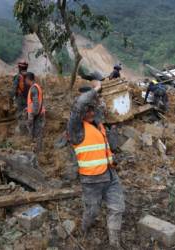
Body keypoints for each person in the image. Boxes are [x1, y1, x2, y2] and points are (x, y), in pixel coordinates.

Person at [68, 81, 125, 248]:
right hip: (91, 180)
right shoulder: (76, 128)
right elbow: (79, 105)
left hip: (110, 175)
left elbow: (105, 146)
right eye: (89, 110)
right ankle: (85, 228)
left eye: (93, 109)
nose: (92, 112)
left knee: (117, 207)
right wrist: (95, 89)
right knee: (92, 211)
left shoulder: (97, 125)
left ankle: (114, 243)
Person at [25, 72, 45, 152]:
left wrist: (32, 115)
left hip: (36, 114)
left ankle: (38, 150)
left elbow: (36, 103)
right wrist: (28, 108)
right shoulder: (36, 86)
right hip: (39, 112)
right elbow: (34, 102)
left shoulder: (33, 88)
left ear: (28, 79)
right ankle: (37, 149)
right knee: (37, 131)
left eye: (25, 79)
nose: (25, 81)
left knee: (37, 132)